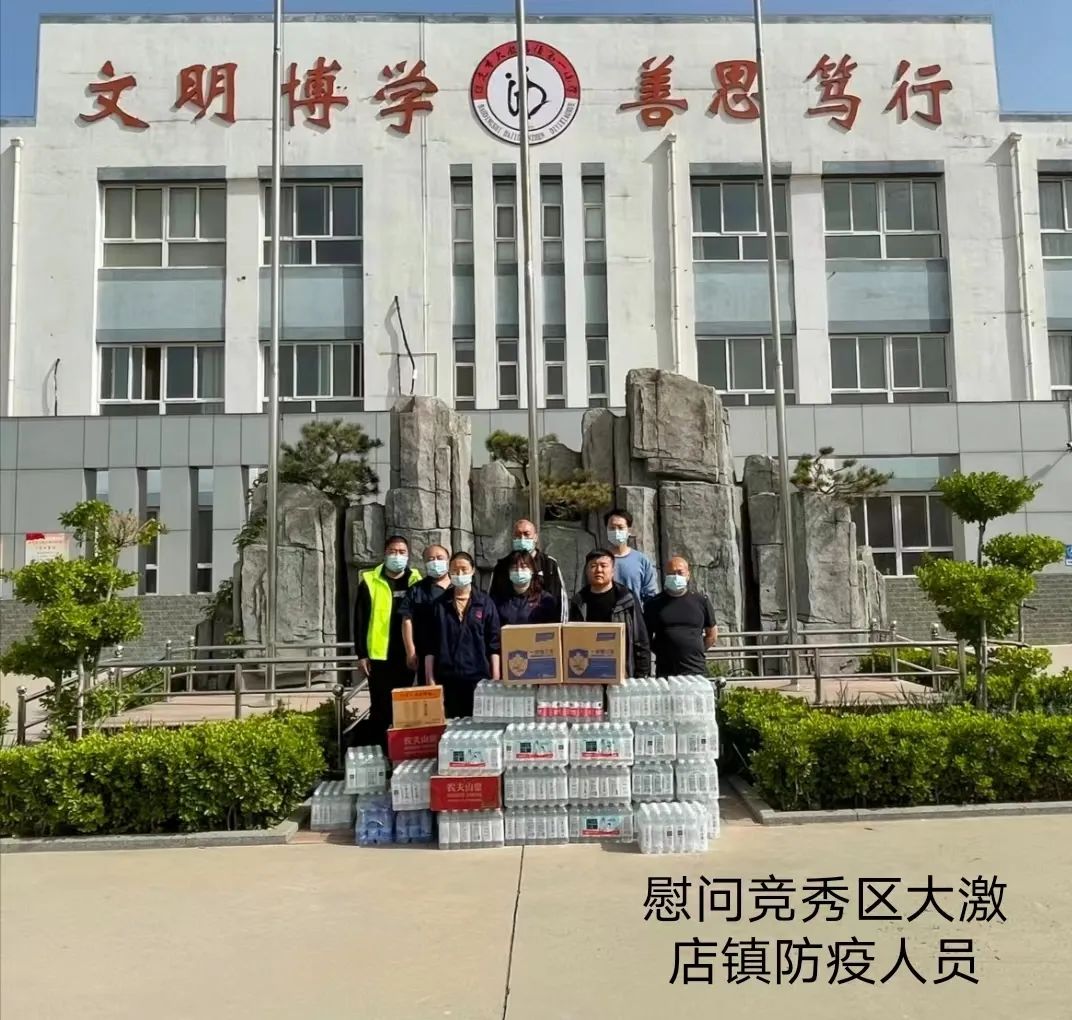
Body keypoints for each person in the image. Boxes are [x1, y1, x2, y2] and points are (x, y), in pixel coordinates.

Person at [354, 535, 422, 747]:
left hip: (408, 654)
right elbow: (360, 619)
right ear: (384, 554)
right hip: (380, 655)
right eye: (393, 551)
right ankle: (380, 750)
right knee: (380, 707)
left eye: (402, 552)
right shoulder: (369, 580)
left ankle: (402, 751)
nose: (397, 556)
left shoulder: (416, 581)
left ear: (408, 555)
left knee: (406, 706)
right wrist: (362, 653)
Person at [427, 551, 502, 718]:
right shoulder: (439, 605)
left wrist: (495, 678)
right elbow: (430, 646)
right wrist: (430, 680)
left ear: (472, 570)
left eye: (464, 569)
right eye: (455, 570)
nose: (459, 574)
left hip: (479, 679)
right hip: (448, 680)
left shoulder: (485, 603)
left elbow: (494, 644)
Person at [569, 548, 652, 678]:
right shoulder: (578, 602)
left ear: (613, 571)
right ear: (586, 571)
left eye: (603, 566)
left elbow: (640, 639)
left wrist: (642, 674)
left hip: (622, 672)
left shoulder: (627, 599)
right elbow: (571, 641)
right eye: (593, 566)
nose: (599, 570)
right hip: (588, 673)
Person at [644, 556, 719, 677]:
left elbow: (712, 635)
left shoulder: (701, 601)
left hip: (696, 670)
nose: (676, 576)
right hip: (666, 671)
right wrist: (663, 651)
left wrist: (696, 650)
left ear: (688, 575)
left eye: (680, 572)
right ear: (665, 576)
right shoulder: (653, 604)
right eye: (671, 573)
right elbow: (646, 638)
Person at [488, 518, 568, 622]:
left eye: (526, 534)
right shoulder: (502, 565)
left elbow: (560, 600)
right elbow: (491, 598)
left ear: (535, 537)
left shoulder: (549, 564)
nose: (522, 538)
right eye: (518, 535)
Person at [400, 544, 452, 684]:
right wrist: (410, 650)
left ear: (448, 560)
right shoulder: (417, 590)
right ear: (424, 563)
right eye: (431, 559)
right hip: (427, 653)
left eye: (440, 558)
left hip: (457, 653)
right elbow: (407, 619)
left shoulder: (459, 587)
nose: (435, 562)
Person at [604, 508, 659, 603]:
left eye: (620, 527)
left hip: (633, 611)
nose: (616, 531)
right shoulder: (599, 560)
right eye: (612, 528)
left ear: (629, 530)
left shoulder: (641, 560)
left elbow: (650, 594)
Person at [492, 550, 560, 626]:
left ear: (532, 570)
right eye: (514, 568)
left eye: (523, 567)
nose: (519, 571)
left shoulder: (544, 600)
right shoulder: (498, 599)